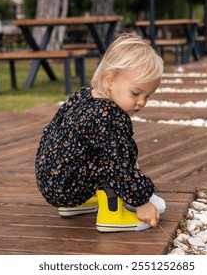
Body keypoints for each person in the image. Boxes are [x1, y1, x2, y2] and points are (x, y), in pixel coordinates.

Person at [35, 32, 165, 232]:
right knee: (113, 156)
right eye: (136, 93)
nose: (141, 102)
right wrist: (142, 201)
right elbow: (120, 165)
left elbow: (52, 132)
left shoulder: (83, 96)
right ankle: (112, 215)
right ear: (109, 80)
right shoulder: (109, 116)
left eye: (148, 96)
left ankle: (79, 203)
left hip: (51, 182)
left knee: (98, 150)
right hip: (69, 187)